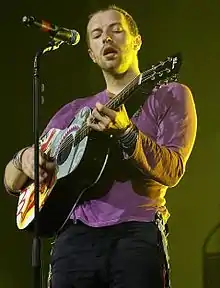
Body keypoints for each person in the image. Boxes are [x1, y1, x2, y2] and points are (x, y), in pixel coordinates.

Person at [4, 5, 197, 288]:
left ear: (136, 40)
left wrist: (127, 132)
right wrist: (24, 158)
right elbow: (11, 181)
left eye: (116, 30)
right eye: (97, 34)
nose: (107, 38)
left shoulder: (169, 94)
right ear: (91, 54)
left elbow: (173, 170)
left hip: (136, 235)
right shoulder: (72, 111)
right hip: (73, 241)